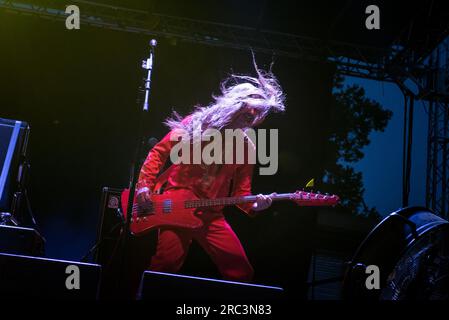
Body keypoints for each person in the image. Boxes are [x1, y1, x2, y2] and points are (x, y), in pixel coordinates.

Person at [135, 60, 286, 282]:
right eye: (250, 109)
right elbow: (160, 151)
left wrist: (255, 204)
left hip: (211, 215)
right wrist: (144, 185)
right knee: (165, 265)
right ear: (236, 104)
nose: (254, 115)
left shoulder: (246, 147)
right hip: (176, 205)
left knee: (241, 272)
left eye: (259, 114)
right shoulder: (196, 124)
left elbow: (241, 195)